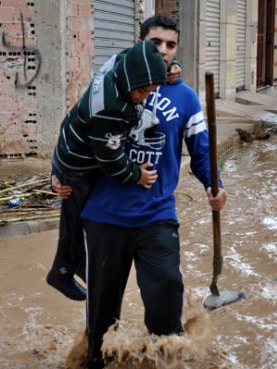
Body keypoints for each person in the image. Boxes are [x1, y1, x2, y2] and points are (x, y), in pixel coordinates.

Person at [78, 16, 228, 368]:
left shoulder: (186, 98)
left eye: (170, 45)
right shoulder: (110, 82)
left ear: (177, 50)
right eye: (155, 43)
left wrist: (213, 184)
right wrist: (61, 175)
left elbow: (201, 150)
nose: (162, 50)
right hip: (104, 216)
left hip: (156, 216)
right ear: (141, 43)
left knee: (165, 302)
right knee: (100, 319)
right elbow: (79, 132)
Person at [46, 40, 167, 301]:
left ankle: (77, 263)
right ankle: (62, 271)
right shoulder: (109, 109)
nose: (144, 97)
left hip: (72, 143)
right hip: (76, 164)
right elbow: (111, 161)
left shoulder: (120, 62)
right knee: (77, 219)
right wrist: (137, 175)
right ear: (131, 79)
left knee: (82, 218)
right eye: (142, 92)